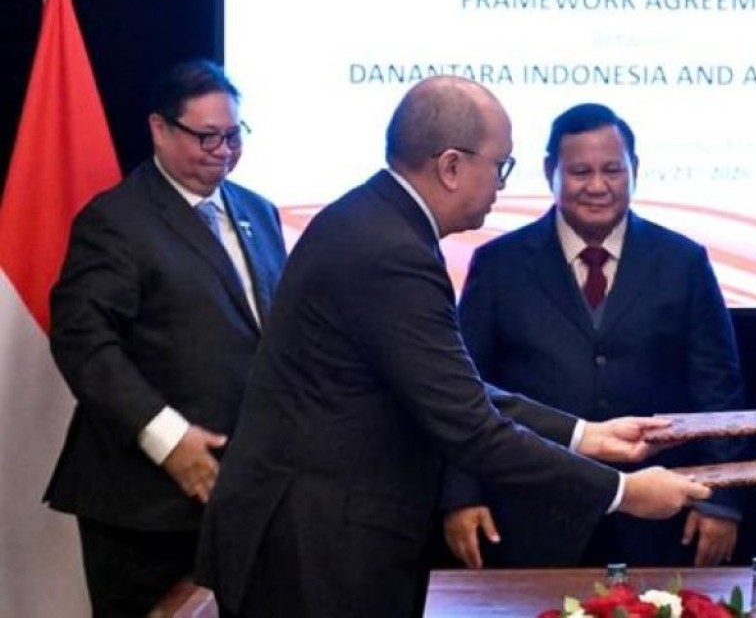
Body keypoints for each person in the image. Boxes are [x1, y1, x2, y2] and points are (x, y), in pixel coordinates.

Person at [195, 76, 711, 618]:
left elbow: (452, 386)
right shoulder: (390, 251)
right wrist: (623, 492)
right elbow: (468, 424)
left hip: (323, 535)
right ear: (450, 166)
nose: (501, 186)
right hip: (313, 547)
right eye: (500, 166)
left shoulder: (376, 221)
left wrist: (586, 435)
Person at [440, 103, 745, 569]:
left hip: (658, 517)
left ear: (634, 169)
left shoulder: (683, 262)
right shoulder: (498, 265)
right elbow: (464, 391)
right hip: (531, 513)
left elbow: (717, 389)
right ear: (551, 172)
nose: (598, 186)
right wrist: (461, 496)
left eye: (612, 170)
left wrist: (720, 500)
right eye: (580, 172)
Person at [44, 59, 287, 616]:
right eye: (207, 137)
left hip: (243, 498)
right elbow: (82, 340)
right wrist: (168, 438)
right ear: (159, 128)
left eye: (234, 136)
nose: (223, 151)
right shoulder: (116, 220)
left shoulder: (259, 212)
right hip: (144, 507)